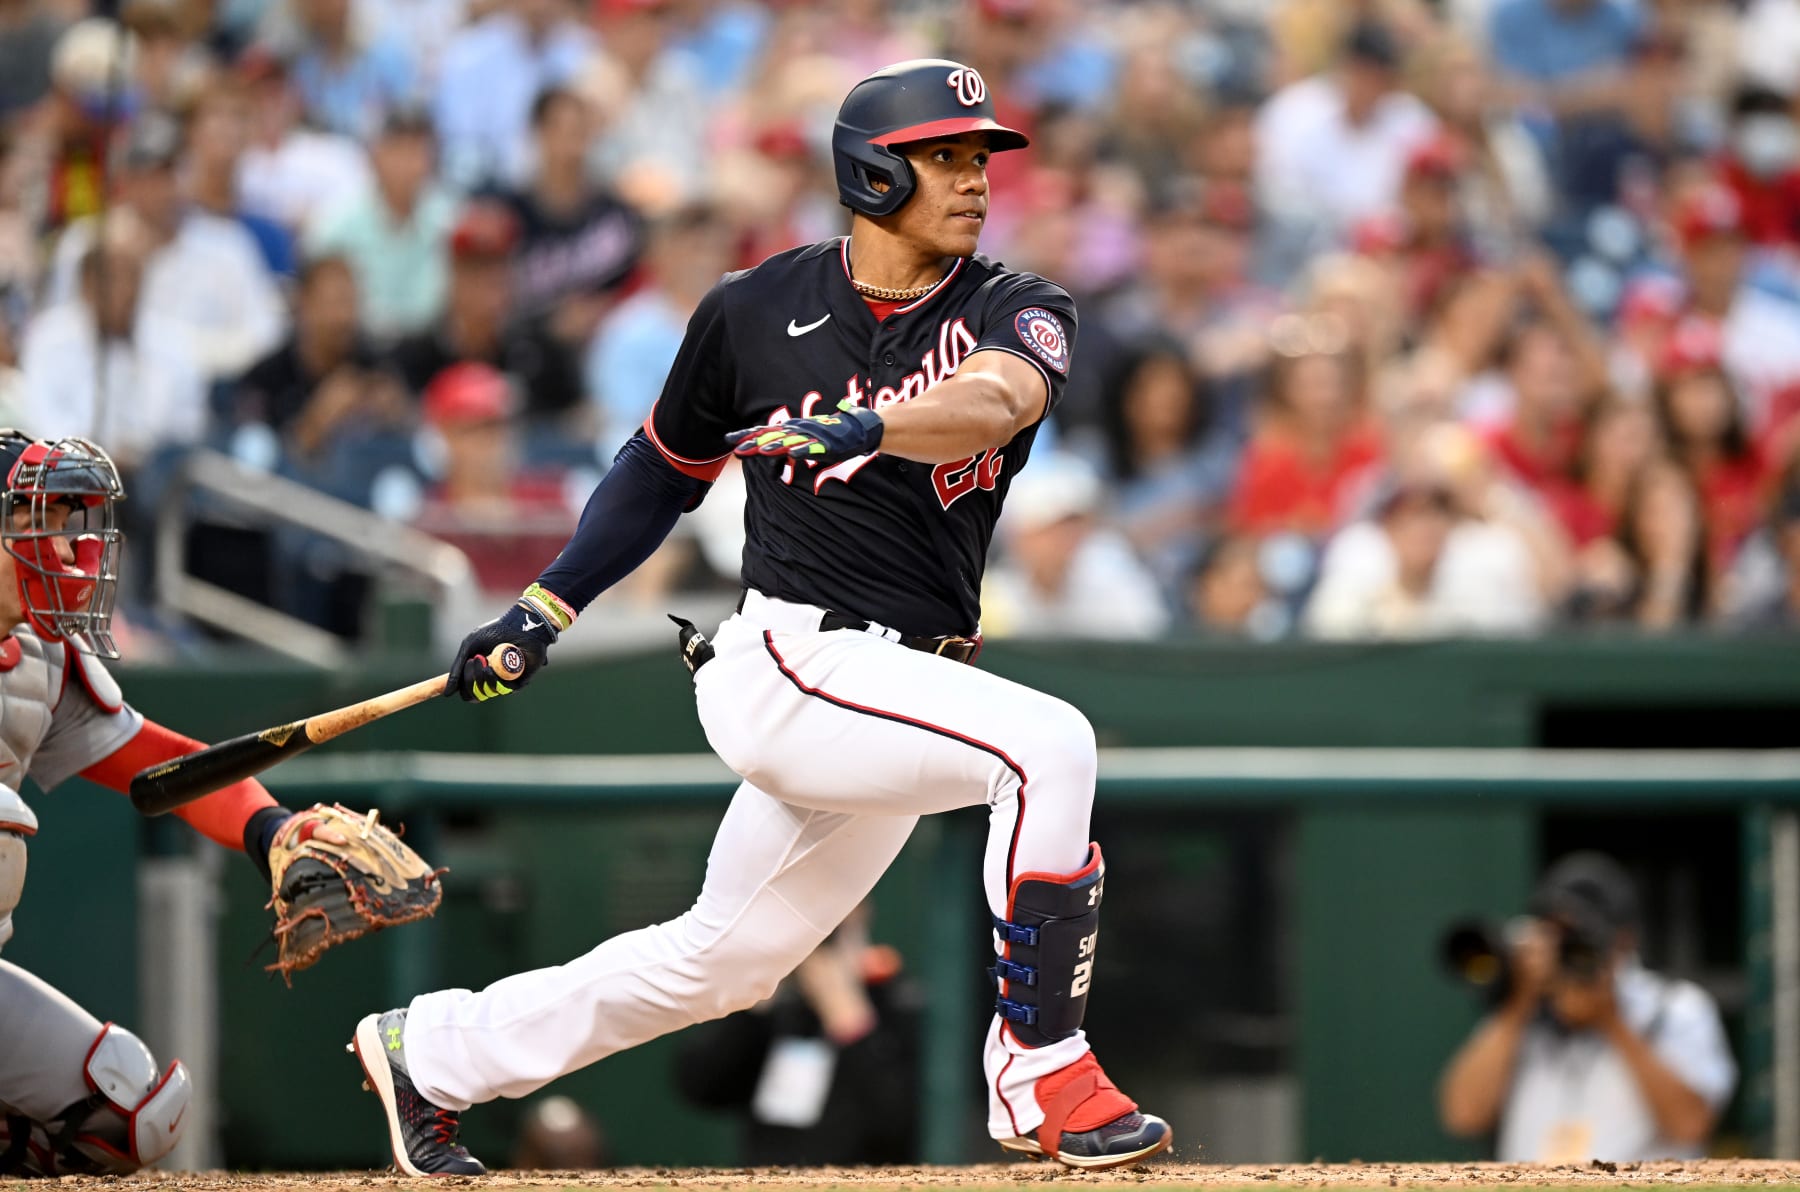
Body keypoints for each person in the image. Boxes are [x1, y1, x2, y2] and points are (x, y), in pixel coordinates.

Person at [348, 58, 1172, 1177]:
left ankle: (431, 1054)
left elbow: (997, 399)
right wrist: (544, 608)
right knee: (1048, 745)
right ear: (871, 172)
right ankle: (1039, 1067)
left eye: (980, 156)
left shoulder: (1016, 304)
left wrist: (871, 428)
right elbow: (658, 472)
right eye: (945, 156)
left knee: (721, 965)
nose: (974, 179)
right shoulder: (750, 311)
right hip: (794, 657)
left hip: (898, 685)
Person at [0, 430, 425, 1174]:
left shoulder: (38, 659)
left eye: (70, 520)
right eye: (37, 520)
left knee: (131, 1110)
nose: (65, 545)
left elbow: (168, 765)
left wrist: (275, 829)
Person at [1438, 852, 1736, 1162]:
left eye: (1575, 940)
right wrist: (1517, 1006)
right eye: (1553, 935)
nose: (1563, 954)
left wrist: (1610, 1021)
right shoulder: (1522, 1009)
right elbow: (1463, 1114)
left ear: (1624, 941)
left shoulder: (1674, 1008)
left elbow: (1691, 1125)